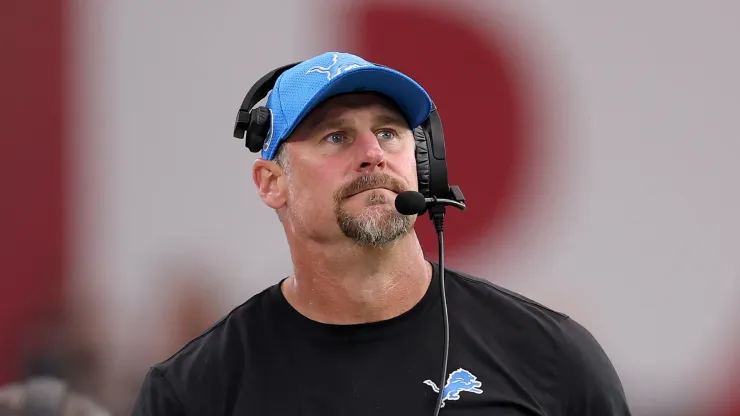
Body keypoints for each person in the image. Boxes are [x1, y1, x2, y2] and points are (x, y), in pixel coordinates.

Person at [131, 52, 632, 415]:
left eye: (389, 132)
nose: (372, 152)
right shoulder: (195, 391)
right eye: (337, 136)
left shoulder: (551, 356)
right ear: (272, 183)